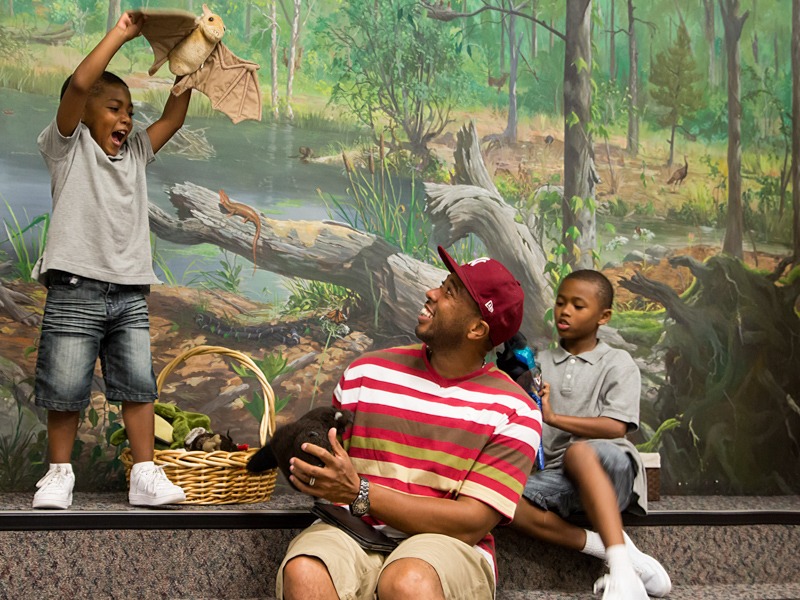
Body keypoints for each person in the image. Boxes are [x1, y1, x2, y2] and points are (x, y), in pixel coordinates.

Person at [277, 246, 542, 600]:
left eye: (449, 293)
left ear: (477, 329)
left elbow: (470, 523)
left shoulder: (515, 410)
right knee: (306, 570)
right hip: (351, 529)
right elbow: (333, 474)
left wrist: (360, 492)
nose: (431, 293)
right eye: (441, 284)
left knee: (408, 581)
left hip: (446, 547)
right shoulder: (365, 373)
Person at [31, 11, 191, 509]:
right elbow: (80, 84)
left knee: (138, 384)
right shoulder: (67, 145)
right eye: (115, 108)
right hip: (76, 286)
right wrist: (121, 34)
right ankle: (59, 475)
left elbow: (174, 118)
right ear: (82, 113)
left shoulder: (138, 153)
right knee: (64, 384)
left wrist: (193, 63)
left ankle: (144, 474)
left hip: (129, 291)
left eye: (130, 111)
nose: (126, 119)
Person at [509, 270, 671, 599]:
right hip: (559, 479)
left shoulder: (617, 362)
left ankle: (622, 578)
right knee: (499, 498)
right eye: (560, 303)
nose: (564, 311)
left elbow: (616, 427)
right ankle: (614, 551)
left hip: (612, 470)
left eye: (578, 306)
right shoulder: (539, 363)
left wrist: (554, 417)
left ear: (603, 316)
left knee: (579, 451)